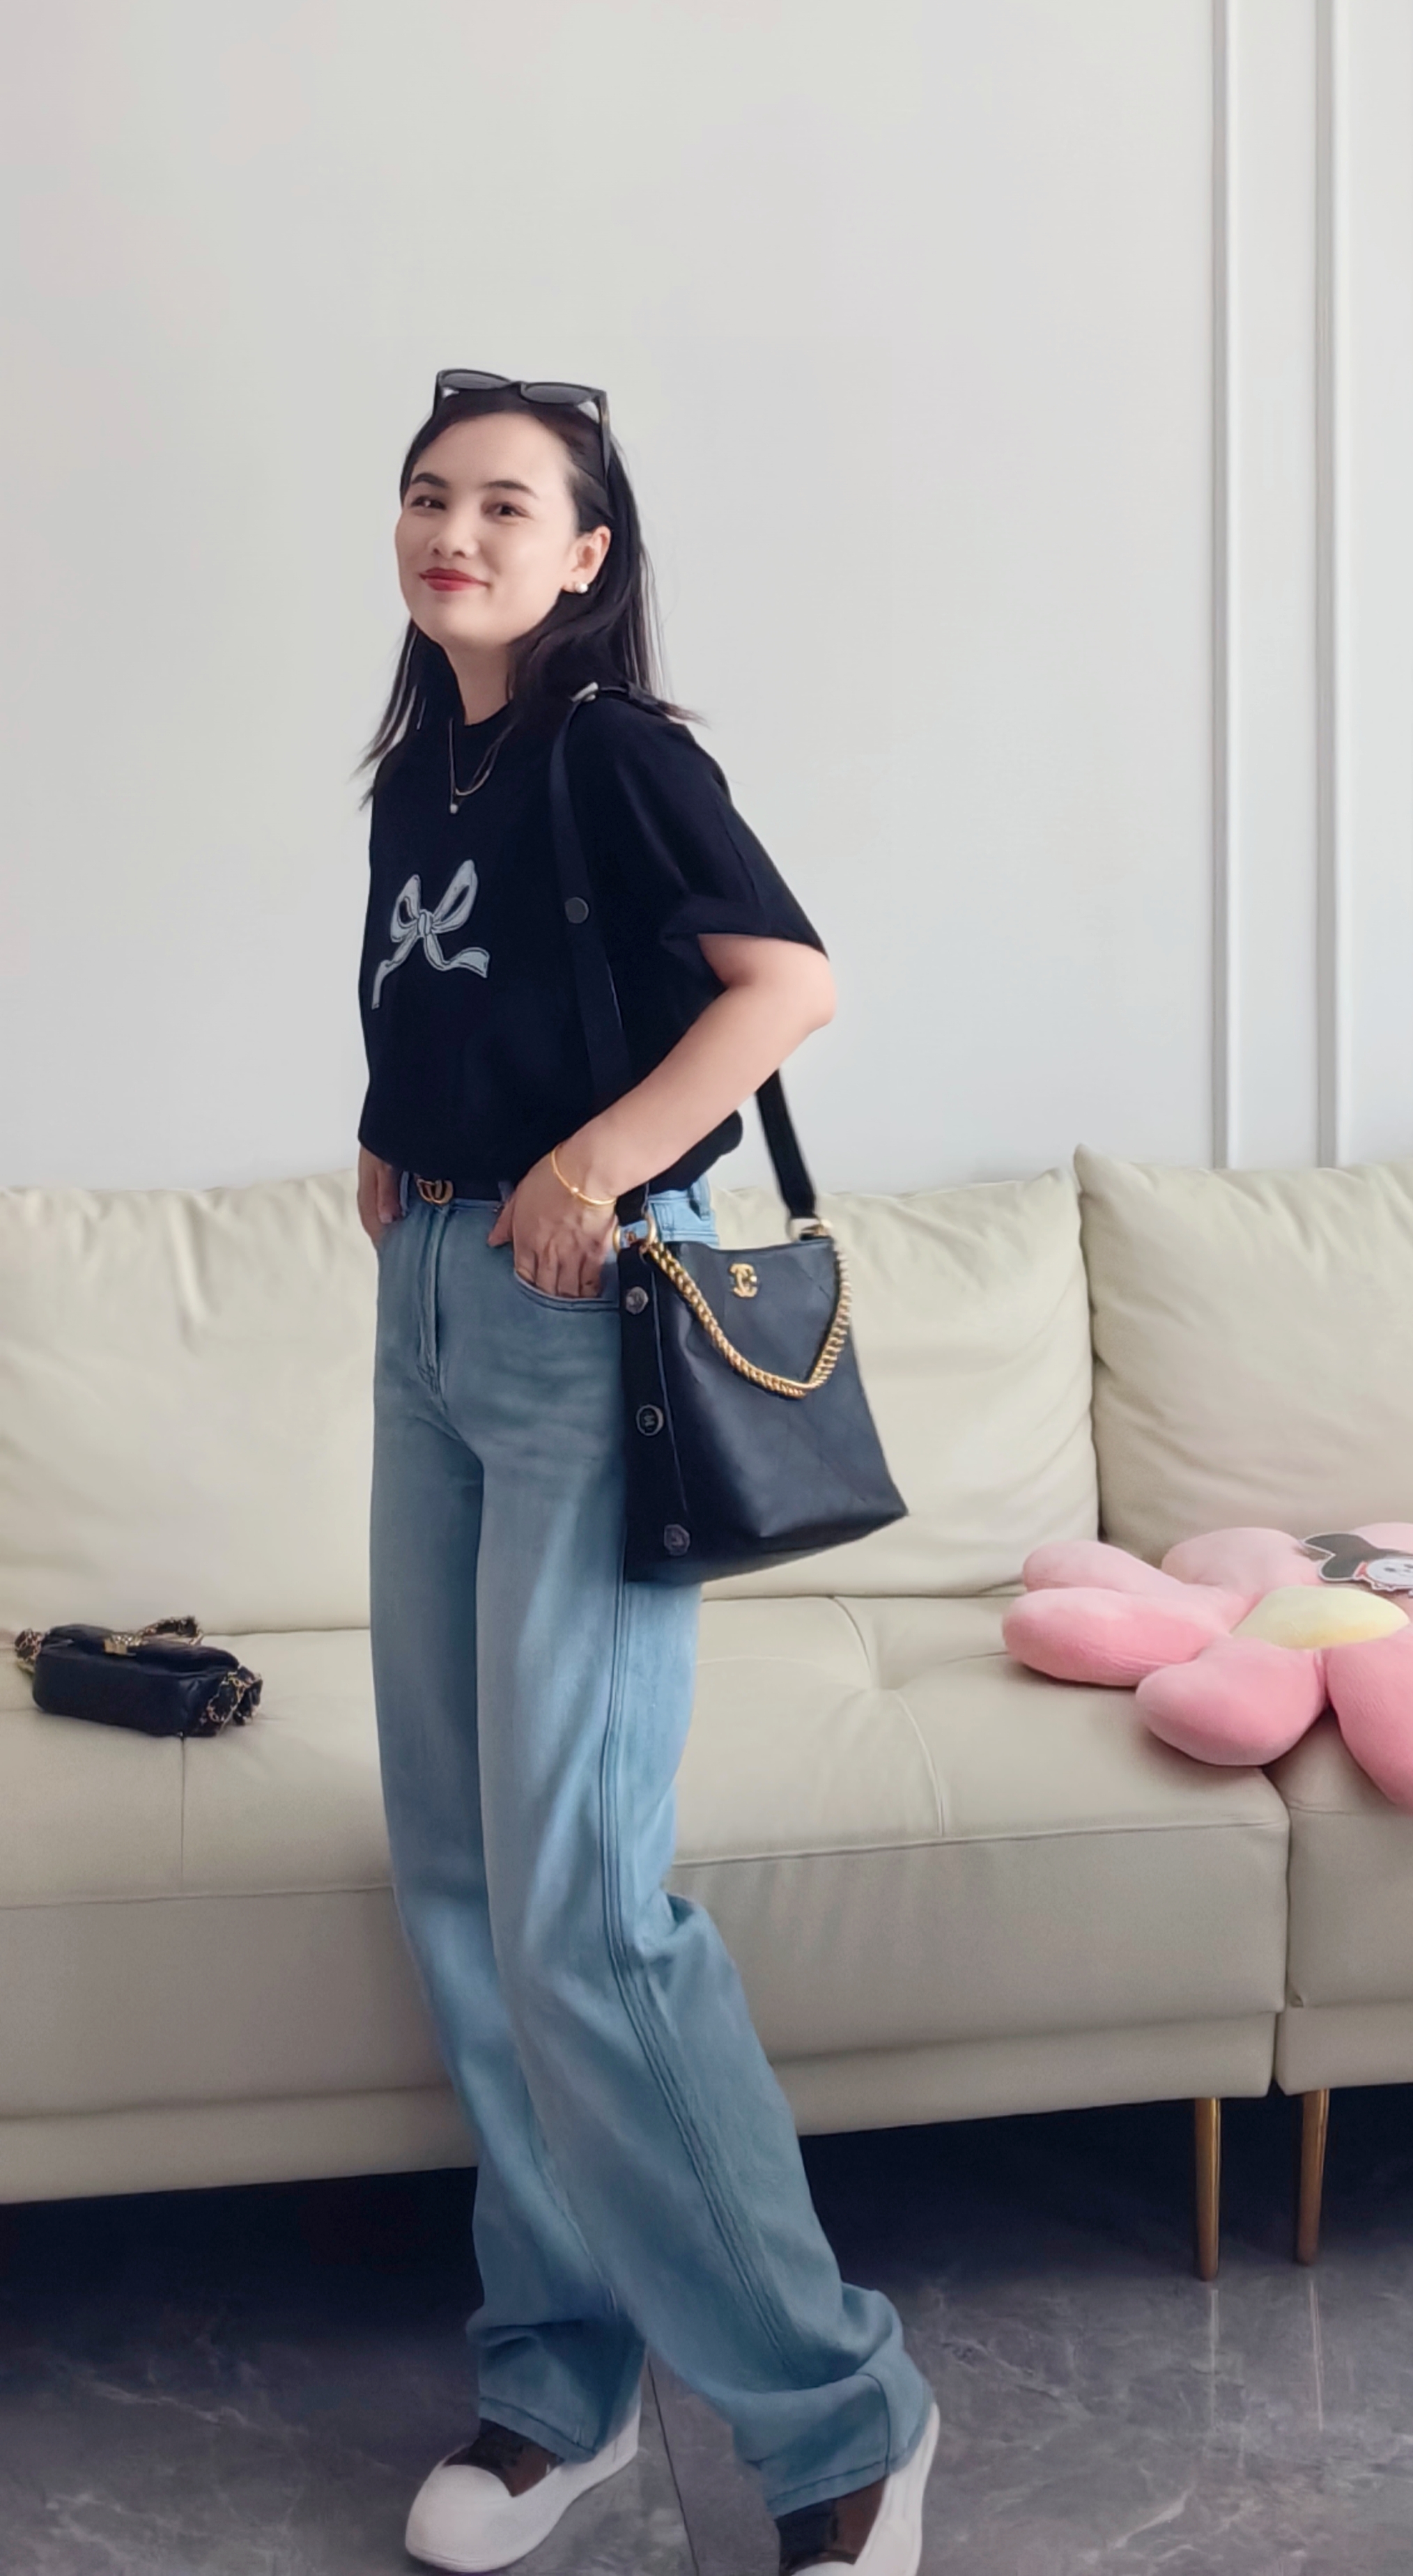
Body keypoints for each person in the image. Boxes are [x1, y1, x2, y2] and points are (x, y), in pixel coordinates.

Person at [353, 371, 938, 2576]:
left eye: (508, 504)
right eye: (430, 495)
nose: (458, 529)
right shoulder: (424, 763)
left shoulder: (616, 747)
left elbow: (784, 984)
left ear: (586, 554)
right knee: (459, 1882)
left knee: (579, 1908)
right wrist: (392, 1141)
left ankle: (841, 2420)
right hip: (430, 1308)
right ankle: (557, 2379)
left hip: (579, 1321)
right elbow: (460, 993)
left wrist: (593, 1159)